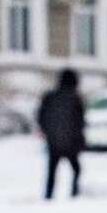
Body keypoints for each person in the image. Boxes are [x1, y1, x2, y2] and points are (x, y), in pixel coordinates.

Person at [36, 68, 86, 200]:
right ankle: (74, 192)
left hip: (53, 141)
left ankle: (49, 194)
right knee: (76, 169)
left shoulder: (50, 96)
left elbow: (41, 116)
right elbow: (80, 122)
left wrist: (46, 131)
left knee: (52, 170)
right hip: (71, 142)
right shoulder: (76, 99)